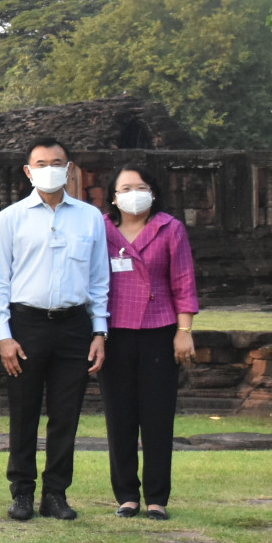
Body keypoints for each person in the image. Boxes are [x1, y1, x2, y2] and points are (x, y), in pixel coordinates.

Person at [0, 137, 110, 522]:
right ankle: (22, 492)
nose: (50, 169)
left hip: (74, 324)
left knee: (65, 413)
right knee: (23, 412)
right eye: (41, 163)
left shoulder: (89, 217)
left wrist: (99, 332)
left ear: (69, 167)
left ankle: (55, 493)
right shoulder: (11, 217)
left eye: (57, 162)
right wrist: (3, 336)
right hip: (26, 324)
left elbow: (98, 280)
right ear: (28, 171)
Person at [103, 165, 199, 520]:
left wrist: (184, 331)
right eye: (125, 187)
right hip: (116, 331)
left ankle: (157, 497)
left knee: (158, 417)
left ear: (153, 192)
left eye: (140, 186)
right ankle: (127, 494)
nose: (133, 193)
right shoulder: (103, 228)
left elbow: (184, 282)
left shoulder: (169, 228)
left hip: (160, 329)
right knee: (120, 415)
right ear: (114, 196)